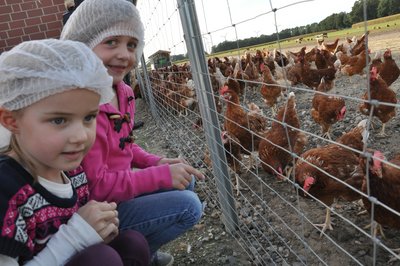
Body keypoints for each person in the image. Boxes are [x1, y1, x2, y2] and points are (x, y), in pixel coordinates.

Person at [60, 0, 205, 265]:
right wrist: (160, 176)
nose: (124, 54)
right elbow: (98, 185)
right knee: (190, 207)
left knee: (187, 182)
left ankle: (142, 250)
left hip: (120, 188)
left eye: (131, 44)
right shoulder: (84, 107)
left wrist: (156, 162)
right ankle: (134, 255)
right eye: (111, 42)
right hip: (102, 206)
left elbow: (126, 145)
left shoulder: (124, 92)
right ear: (84, 45)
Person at [0, 39, 150, 266]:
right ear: (12, 121)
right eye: (59, 120)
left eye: (89, 117)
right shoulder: (7, 190)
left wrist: (98, 227)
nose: (81, 136)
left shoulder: (73, 172)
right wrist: (78, 236)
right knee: (102, 259)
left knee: (132, 244)